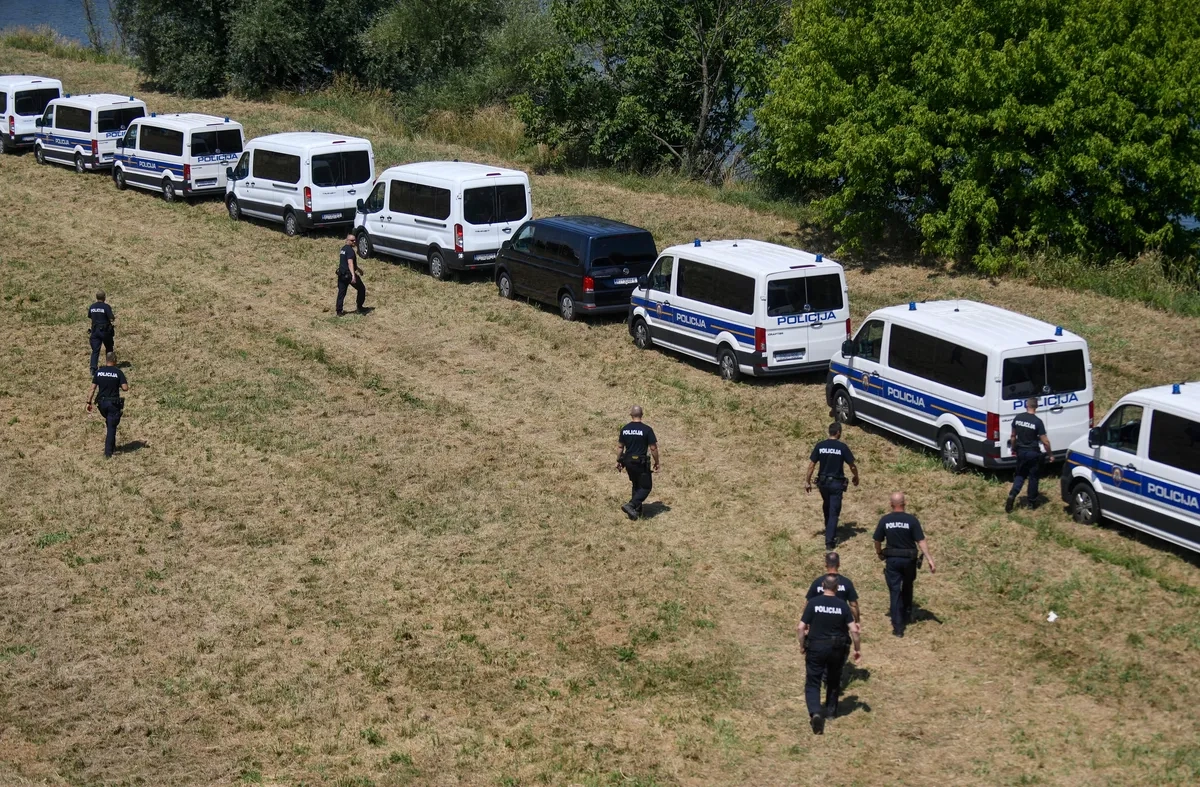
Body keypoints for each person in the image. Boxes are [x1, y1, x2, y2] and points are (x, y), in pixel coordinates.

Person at [797, 574, 861, 734]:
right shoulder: (842, 605)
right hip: (837, 648)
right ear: (837, 587)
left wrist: (802, 644)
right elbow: (854, 630)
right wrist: (857, 649)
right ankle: (832, 712)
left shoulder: (813, 603)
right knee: (833, 679)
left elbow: (800, 627)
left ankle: (816, 712)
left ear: (823, 586)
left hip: (816, 647)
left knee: (813, 682)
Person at [873, 492, 936, 638]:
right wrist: (930, 559)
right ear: (904, 503)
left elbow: (877, 540)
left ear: (891, 504)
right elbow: (921, 541)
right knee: (908, 586)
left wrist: (879, 553)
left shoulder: (885, 520)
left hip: (893, 561)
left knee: (895, 591)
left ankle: (898, 628)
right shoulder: (911, 520)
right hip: (909, 561)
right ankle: (907, 613)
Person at [805, 422, 860, 550]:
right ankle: (829, 542)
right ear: (838, 432)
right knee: (834, 511)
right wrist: (856, 476)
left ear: (829, 432)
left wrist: (807, 481)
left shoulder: (820, 446)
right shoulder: (842, 447)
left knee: (827, 504)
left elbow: (811, 465)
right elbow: (852, 465)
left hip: (823, 483)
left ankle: (828, 527)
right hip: (836, 483)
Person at [1006, 398, 1051, 512]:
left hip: (1021, 452)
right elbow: (1045, 441)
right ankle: (1031, 503)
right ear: (1036, 407)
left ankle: (1012, 495)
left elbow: (1013, 436)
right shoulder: (1037, 422)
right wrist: (1050, 454)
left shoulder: (1018, 418)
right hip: (1033, 453)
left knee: (1020, 475)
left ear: (1026, 405)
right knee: (1033, 477)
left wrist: (1013, 448)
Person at [615, 406, 659, 520]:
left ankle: (636, 511)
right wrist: (657, 462)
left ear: (631, 415)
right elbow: (653, 448)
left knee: (636, 484)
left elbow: (620, 447)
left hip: (628, 461)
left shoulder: (625, 429)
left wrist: (618, 460)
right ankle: (631, 505)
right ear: (642, 415)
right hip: (641, 462)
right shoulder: (647, 430)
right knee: (646, 487)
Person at [85, 351, 129, 458]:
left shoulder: (99, 372)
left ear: (106, 360)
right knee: (111, 427)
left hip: (102, 404)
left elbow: (92, 388)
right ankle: (108, 453)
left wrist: (88, 402)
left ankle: (112, 446)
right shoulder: (118, 372)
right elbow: (125, 388)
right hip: (113, 403)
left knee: (110, 423)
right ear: (115, 361)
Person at [805, 551, 860, 624]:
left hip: (819, 625)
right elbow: (853, 605)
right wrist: (857, 621)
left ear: (825, 564)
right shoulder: (846, 582)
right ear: (839, 564)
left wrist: (805, 623)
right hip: (840, 625)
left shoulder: (818, 582)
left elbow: (808, 604)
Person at [336, 233, 367, 316]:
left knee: (341, 293)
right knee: (361, 288)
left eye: (355, 240)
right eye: (352, 240)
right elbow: (350, 263)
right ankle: (359, 307)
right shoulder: (350, 251)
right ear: (347, 240)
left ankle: (339, 311)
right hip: (348, 275)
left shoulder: (343, 249)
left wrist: (359, 270)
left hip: (341, 274)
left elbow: (347, 262)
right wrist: (353, 275)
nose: (354, 242)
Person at [87, 290, 115, 377]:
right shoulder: (106, 307)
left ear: (96, 297)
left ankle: (93, 368)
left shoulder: (92, 307)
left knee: (95, 350)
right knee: (109, 348)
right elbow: (111, 318)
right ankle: (110, 366)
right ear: (104, 297)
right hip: (105, 331)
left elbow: (90, 316)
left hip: (95, 331)